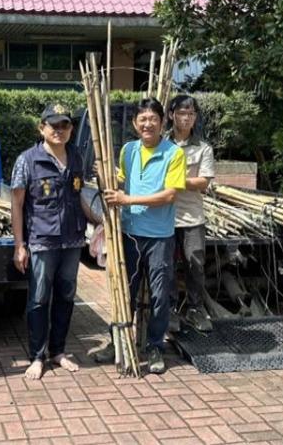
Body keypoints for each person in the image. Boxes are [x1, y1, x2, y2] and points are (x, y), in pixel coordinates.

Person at [10, 104, 96, 380]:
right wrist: (19, 245)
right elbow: (17, 204)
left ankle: (58, 351)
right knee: (38, 298)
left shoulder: (76, 157)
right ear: (41, 128)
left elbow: (78, 197)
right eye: (53, 125)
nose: (59, 130)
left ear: (71, 129)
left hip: (72, 241)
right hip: (42, 240)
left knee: (65, 296)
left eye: (65, 125)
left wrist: (98, 220)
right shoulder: (28, 160)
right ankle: (37, 355)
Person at [101, 98, 187, 374]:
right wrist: (105, 176)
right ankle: (118, 342)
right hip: (129, 234)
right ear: (134, 124)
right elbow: (123, 179)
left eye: (153, 119)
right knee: (123, 291)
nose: (147, 124)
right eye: (142, 119)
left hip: (160, 237)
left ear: (163, 122)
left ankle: (154, 346)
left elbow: (170, 195)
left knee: (160, 295)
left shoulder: (174, 154)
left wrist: (127, 200)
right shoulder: (128, 150)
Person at [167, 94, 216, 333]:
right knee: (166, 266)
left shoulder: (203, 148)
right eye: (182, 113)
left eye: (191, 114)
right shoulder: (161, 144)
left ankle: (196, 309)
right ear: (171, 115)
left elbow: (203, 182)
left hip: (191, 217)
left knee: (194, 264)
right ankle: (170, 311)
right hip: (164, 217)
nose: (186, 118)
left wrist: (174, 180)